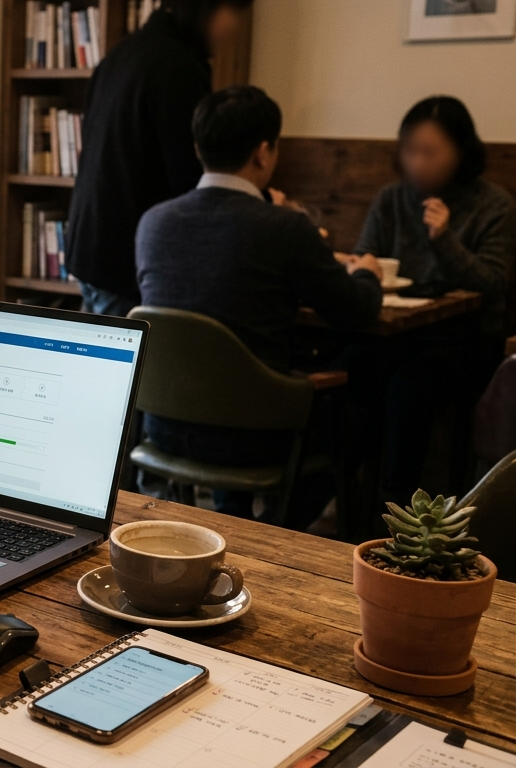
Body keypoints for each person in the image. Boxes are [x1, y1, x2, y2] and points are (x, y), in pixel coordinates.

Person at [135, 86, 383, 518]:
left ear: (198, 148)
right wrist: (367, 272)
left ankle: (235, 522)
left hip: (164, 426)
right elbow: (356, 310)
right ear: (265, 152)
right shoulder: (285, 228)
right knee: (366, 402)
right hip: (256, 437)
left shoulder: (153, 223)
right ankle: (279, 527)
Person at [343, 96, 516, 503]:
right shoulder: (391, 199)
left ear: (461, 152)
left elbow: (493, 283)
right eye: (409, 150)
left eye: (430, 152)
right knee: (348, 368)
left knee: (411, 387)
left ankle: (398, 506)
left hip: (468, 339)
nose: (416, 162)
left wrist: (445, 241)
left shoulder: (493, 205)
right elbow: (365, 255)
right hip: (398, 333)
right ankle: (343, 495)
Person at [65, 0, 254, 317]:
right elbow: (191, 177)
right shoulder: (178, 67)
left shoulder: (120, 54)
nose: (232, 28)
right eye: (231, 13)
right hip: (129, 258)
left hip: (90, 249)